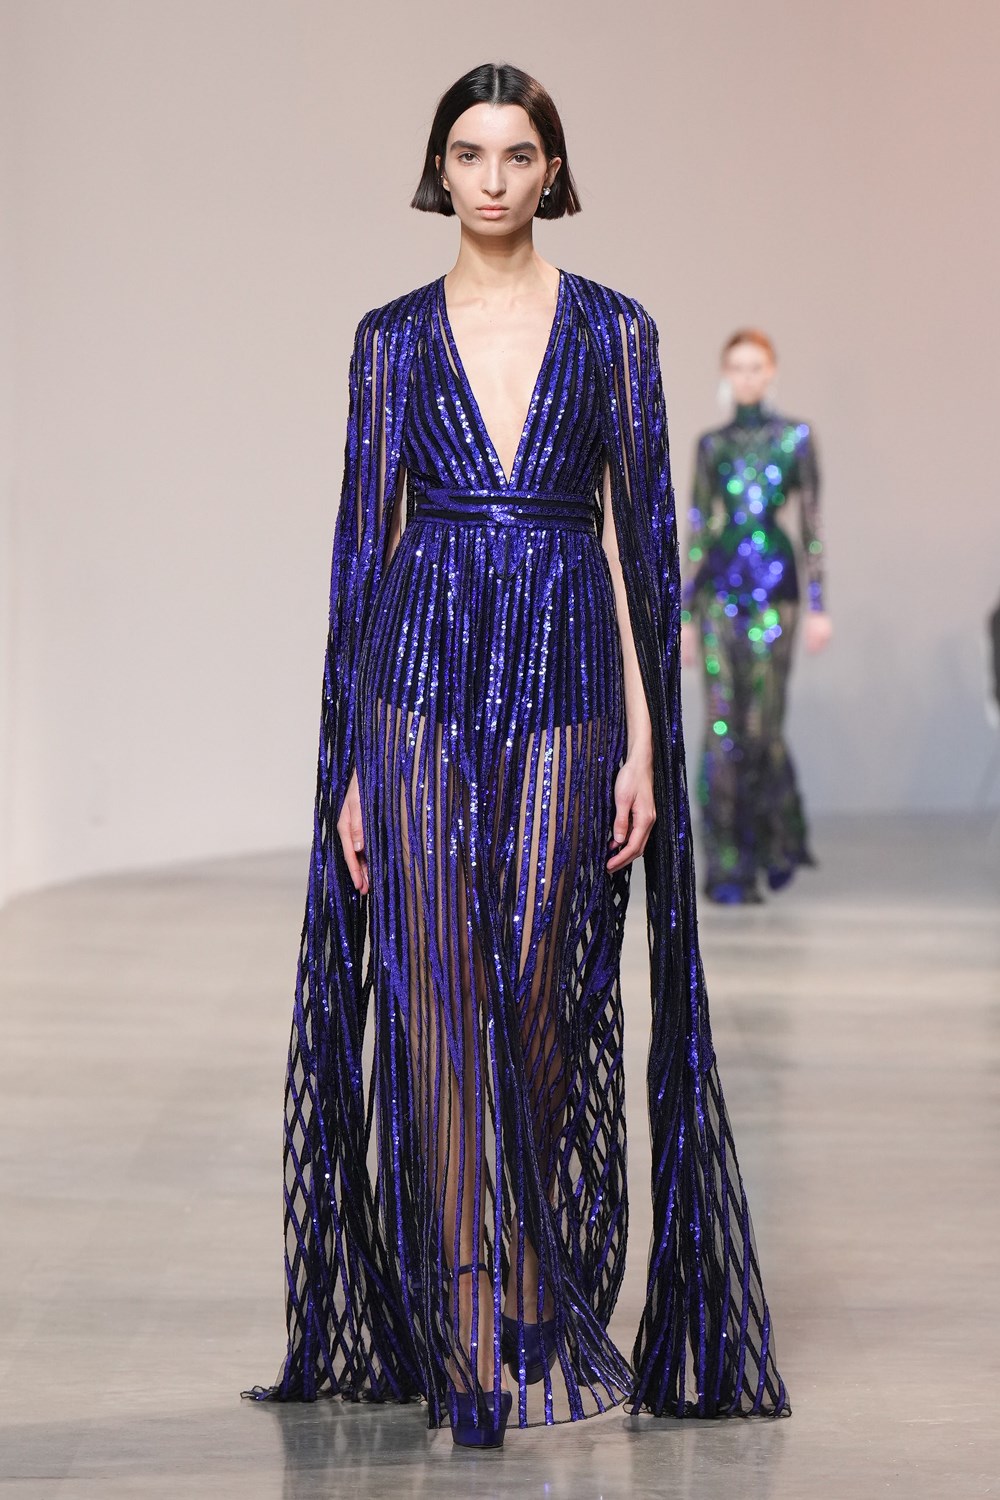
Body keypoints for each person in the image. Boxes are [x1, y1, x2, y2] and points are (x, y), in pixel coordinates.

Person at [246, 63, 789, 1448]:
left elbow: (640, 552)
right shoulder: (388, 340)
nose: (492, 178)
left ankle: (529, 1276)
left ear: (553, 169)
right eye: (469, 153)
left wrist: (648, 744)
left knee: (543, 990)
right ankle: (472, 1313)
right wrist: (352, 767)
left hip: (569, 685)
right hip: (415, 689)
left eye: (517, 153)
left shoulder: (615, 330)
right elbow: (363, 556)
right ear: (440, 170)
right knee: (435, 1001)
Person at [681, 331, 832, 904]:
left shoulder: (794, 438)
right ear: (726, 373)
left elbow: (812, 524)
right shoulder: (711, 445)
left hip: (776, 594)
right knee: (722, 726)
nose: (746, 376)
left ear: (771, 372)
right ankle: (727, 864)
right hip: (719, 593)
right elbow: (699, 528)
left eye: (755, 366)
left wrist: (818, 605)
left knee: (761, 727)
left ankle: (772, 838)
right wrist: (684, 614)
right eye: (737, 367)